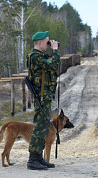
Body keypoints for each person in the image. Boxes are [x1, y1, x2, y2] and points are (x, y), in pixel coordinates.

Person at [26, 31, 60, 170]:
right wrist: (55, 50)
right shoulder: (35, 57)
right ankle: (32, 159)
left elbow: (50, 65)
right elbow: (53, 65)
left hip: (45, 96)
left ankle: (38, 157)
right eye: (47, 42)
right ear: (39, 42)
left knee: (44, 126)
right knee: (40, 126)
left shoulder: (41, 56)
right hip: (41, 97)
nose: (49, 44)